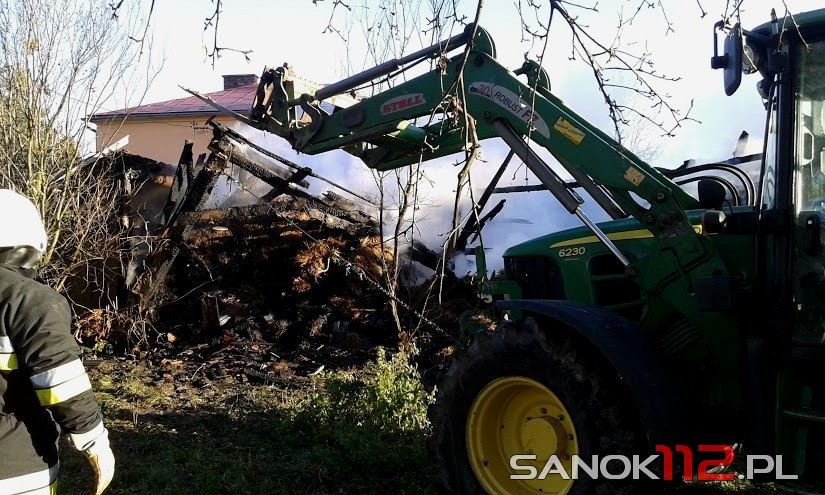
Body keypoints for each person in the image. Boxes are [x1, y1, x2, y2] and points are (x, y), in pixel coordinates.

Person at [0, 189, 115, 494]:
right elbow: (61, 384)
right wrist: (95, 442)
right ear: (29, 246)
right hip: (15, 470)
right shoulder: (30, 300)